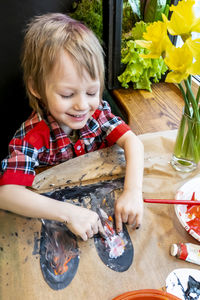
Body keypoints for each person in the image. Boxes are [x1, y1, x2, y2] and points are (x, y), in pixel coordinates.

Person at [0, 13, 144, 241]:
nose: (82, 105)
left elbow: (132, 141)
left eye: (91, 92)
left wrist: (133, 192)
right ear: (36, 88)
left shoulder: (97, 113)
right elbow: (7, 194)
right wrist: (68, 214)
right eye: (67, 94)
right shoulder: (32, 136)